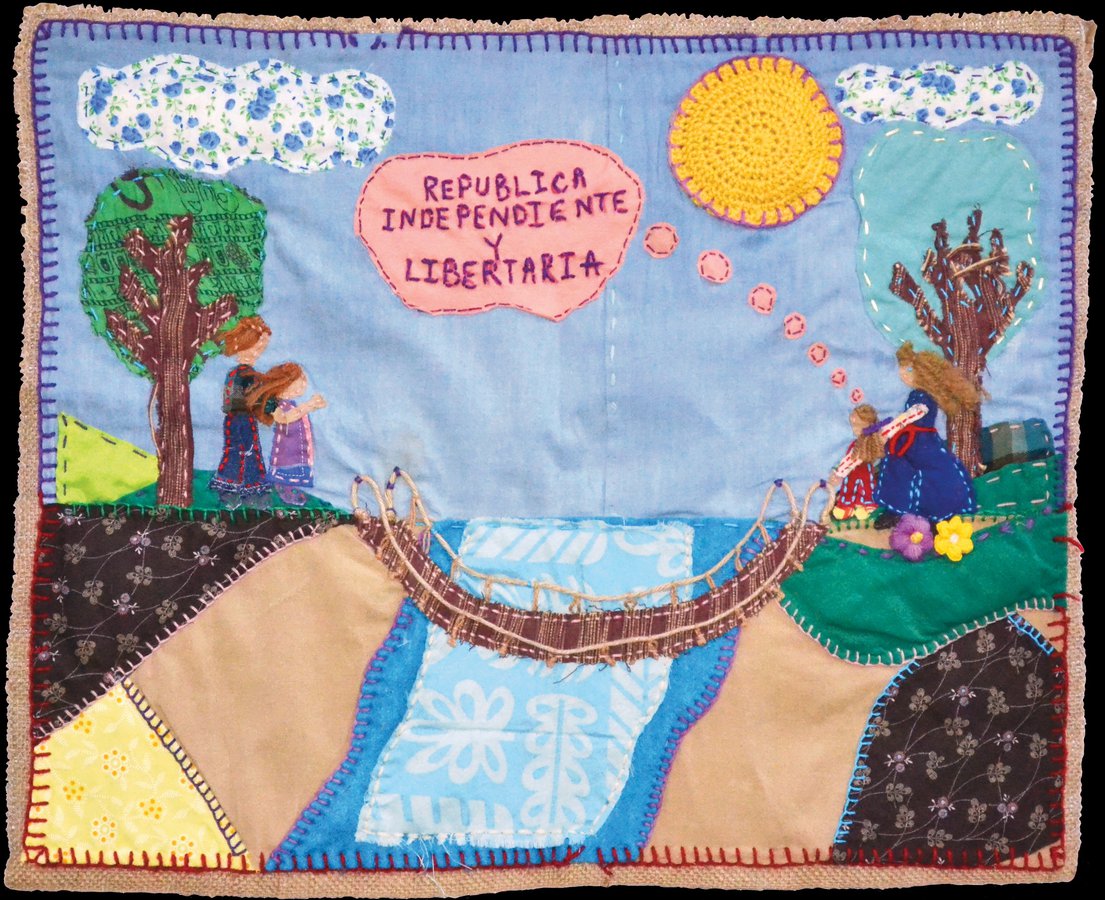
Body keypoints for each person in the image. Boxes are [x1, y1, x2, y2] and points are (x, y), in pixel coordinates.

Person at [873, 341, 980, 527]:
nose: (902, 374)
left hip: (923, 443)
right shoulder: (914, 394)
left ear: (922, 373)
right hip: (908, 441)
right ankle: (896, 510)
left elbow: (914, 413)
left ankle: (938, 516)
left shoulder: (925, 397)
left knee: (934, 474)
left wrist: (890, 430)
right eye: (902, 369)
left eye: (908, 370)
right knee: (896, 468)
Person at [208, 316, 272, 506]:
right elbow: (251, 399)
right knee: (247, 452)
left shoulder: (235, 372)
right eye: (257, 347)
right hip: (242, 419)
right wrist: (269, 406)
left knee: (236, 451)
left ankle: (233, 491)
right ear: (243, 345)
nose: (259, 352)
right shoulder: (246, 374)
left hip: (233, 419)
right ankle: (248, 492)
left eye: (262, 348)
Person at [247, 362, 326, 506]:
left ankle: (292, 490)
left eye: (303, 379)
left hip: (298, 444)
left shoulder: (292, 404)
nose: (304, 384)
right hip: (287, 446)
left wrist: (313, 406)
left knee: (297, 466)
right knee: (287, 467)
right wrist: (308, 405)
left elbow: (296, 414)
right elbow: (284, 418)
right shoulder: (278, 405)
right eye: (300, 380)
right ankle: (285, 492)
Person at [828, 404, 883, 520]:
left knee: (866, 487)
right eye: (854, 426)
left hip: (865, 472)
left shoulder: (871, 443)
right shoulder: (854, 445)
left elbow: (877, 456)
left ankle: (866, 506)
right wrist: (837, 472)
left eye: (858, 426)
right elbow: (845, 460)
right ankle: (846, 506)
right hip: (851, 473)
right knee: (849, 487)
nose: (855, 430)